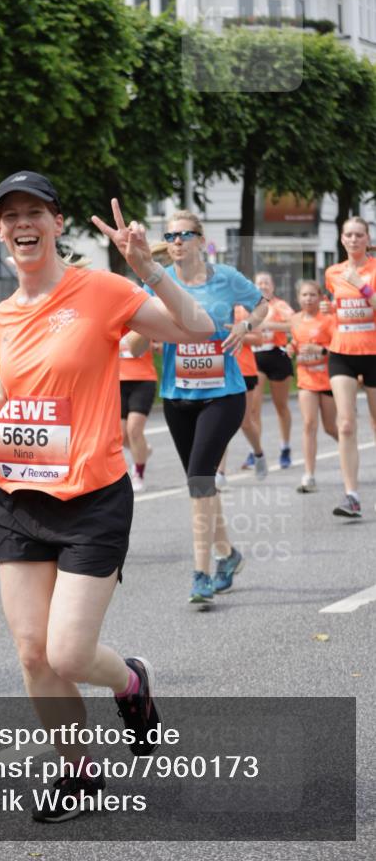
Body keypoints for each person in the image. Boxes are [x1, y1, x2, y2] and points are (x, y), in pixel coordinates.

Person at [0, 172, 214, 822]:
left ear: (55, 223)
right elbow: (18, 397)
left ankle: (129, 682)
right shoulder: (3, 314)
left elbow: (197, 329)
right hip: (19, 496)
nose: (22, 223)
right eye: (8, 214)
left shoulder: (98, 290)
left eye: (34, 212)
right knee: (32, 653)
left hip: (93, 497)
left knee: (68, 652)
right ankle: (77, 773)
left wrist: (146, 268)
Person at [151, 211, 268, 608]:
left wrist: (245, 325)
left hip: (224, 394)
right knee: (200, 485)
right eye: (170, 235)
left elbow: (261, 304)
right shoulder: (159, 282)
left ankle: (201, 573)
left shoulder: (226, 278)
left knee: (201, 478)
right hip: (177, 396)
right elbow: (138, 332)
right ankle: (229, 554)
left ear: (201, 239)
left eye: (184, 234)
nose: (177, 241)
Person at [323, 217, 376, 518]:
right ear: (342, 240)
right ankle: (351, 495)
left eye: (359, 235)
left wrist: (364, 289)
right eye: (349, 235)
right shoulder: (333, 273)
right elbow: (338, 308)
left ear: (367, 239)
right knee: (345, 424)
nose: (354, 240)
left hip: (373, 352)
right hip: (342, 351)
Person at [287, 280, 337, 493]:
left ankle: (346, 443)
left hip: (327, 379)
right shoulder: (295, 319)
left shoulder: (328, 319)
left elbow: (338, 347)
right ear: (298, 298)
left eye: (312, 295)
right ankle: (309, 475)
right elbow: (296, 342)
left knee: (330, 427)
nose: (308, 299)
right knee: (309, 424)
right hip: (306, 378)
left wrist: (321, 350)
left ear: (320, 297)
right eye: (304, 295)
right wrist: (291, 348)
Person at [215, 304, 268, 490]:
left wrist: (238, 333)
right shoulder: (213, 307)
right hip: (219, 370)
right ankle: (220, 473)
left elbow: (259, 339)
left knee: (245, 422)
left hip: (245, 370)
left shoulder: (245, 310)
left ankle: (258, 453)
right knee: (220, 423)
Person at [249, 272, 295, 470]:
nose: (263, 286)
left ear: (273, 286)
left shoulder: (279, 305)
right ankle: (255, 451)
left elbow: (295, 324)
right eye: (259, 283)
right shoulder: (248, 306)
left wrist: (270, 325)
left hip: (277, 355)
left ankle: (285, 447)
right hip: (255, 357)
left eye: (266, 283)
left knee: (281, 406)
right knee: (253, 407)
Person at [119, 333, 158, 492]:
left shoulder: (144, 319)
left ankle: (138, 474)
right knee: (120, 435)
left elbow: (163, 345)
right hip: (117, 380)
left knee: (134, 429)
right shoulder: (113, 318)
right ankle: (144, 449)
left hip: (143, 379)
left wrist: (153, 346)